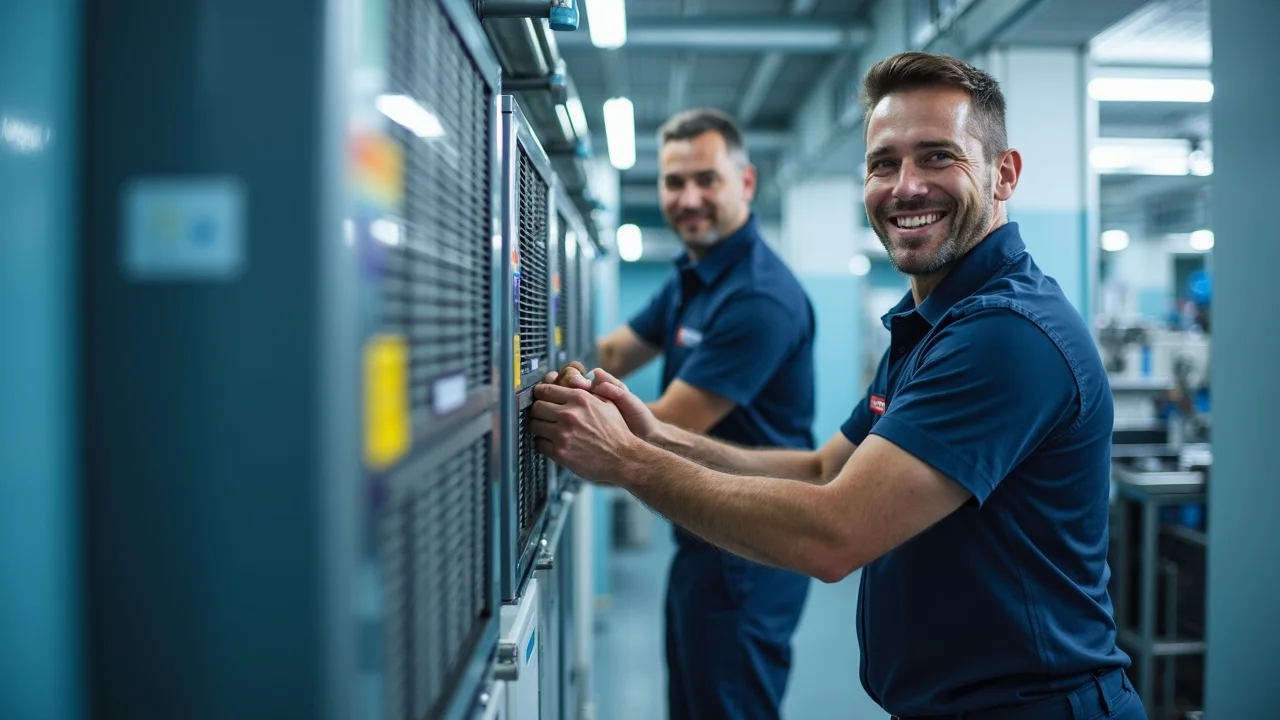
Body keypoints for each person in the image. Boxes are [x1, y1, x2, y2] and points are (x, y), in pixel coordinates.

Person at [533, 52, 1147, 720]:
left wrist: (628, 459)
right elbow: (826, 469)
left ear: (1004, 175)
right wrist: (662, 439)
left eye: (937, 157)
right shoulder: (931, 322)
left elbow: (834, 534)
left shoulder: (1005, 334)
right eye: (885, 163)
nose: (906, 187)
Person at [591, 107, 817, 720]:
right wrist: (533, 361)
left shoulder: (757, 297)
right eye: (673, 182)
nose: (688, 198)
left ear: (744, 183)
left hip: (748, 552)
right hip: (702, 539)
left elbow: (664, 426)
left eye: (706, 180)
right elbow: (612, 352)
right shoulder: (694, 276)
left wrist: (564, 413)